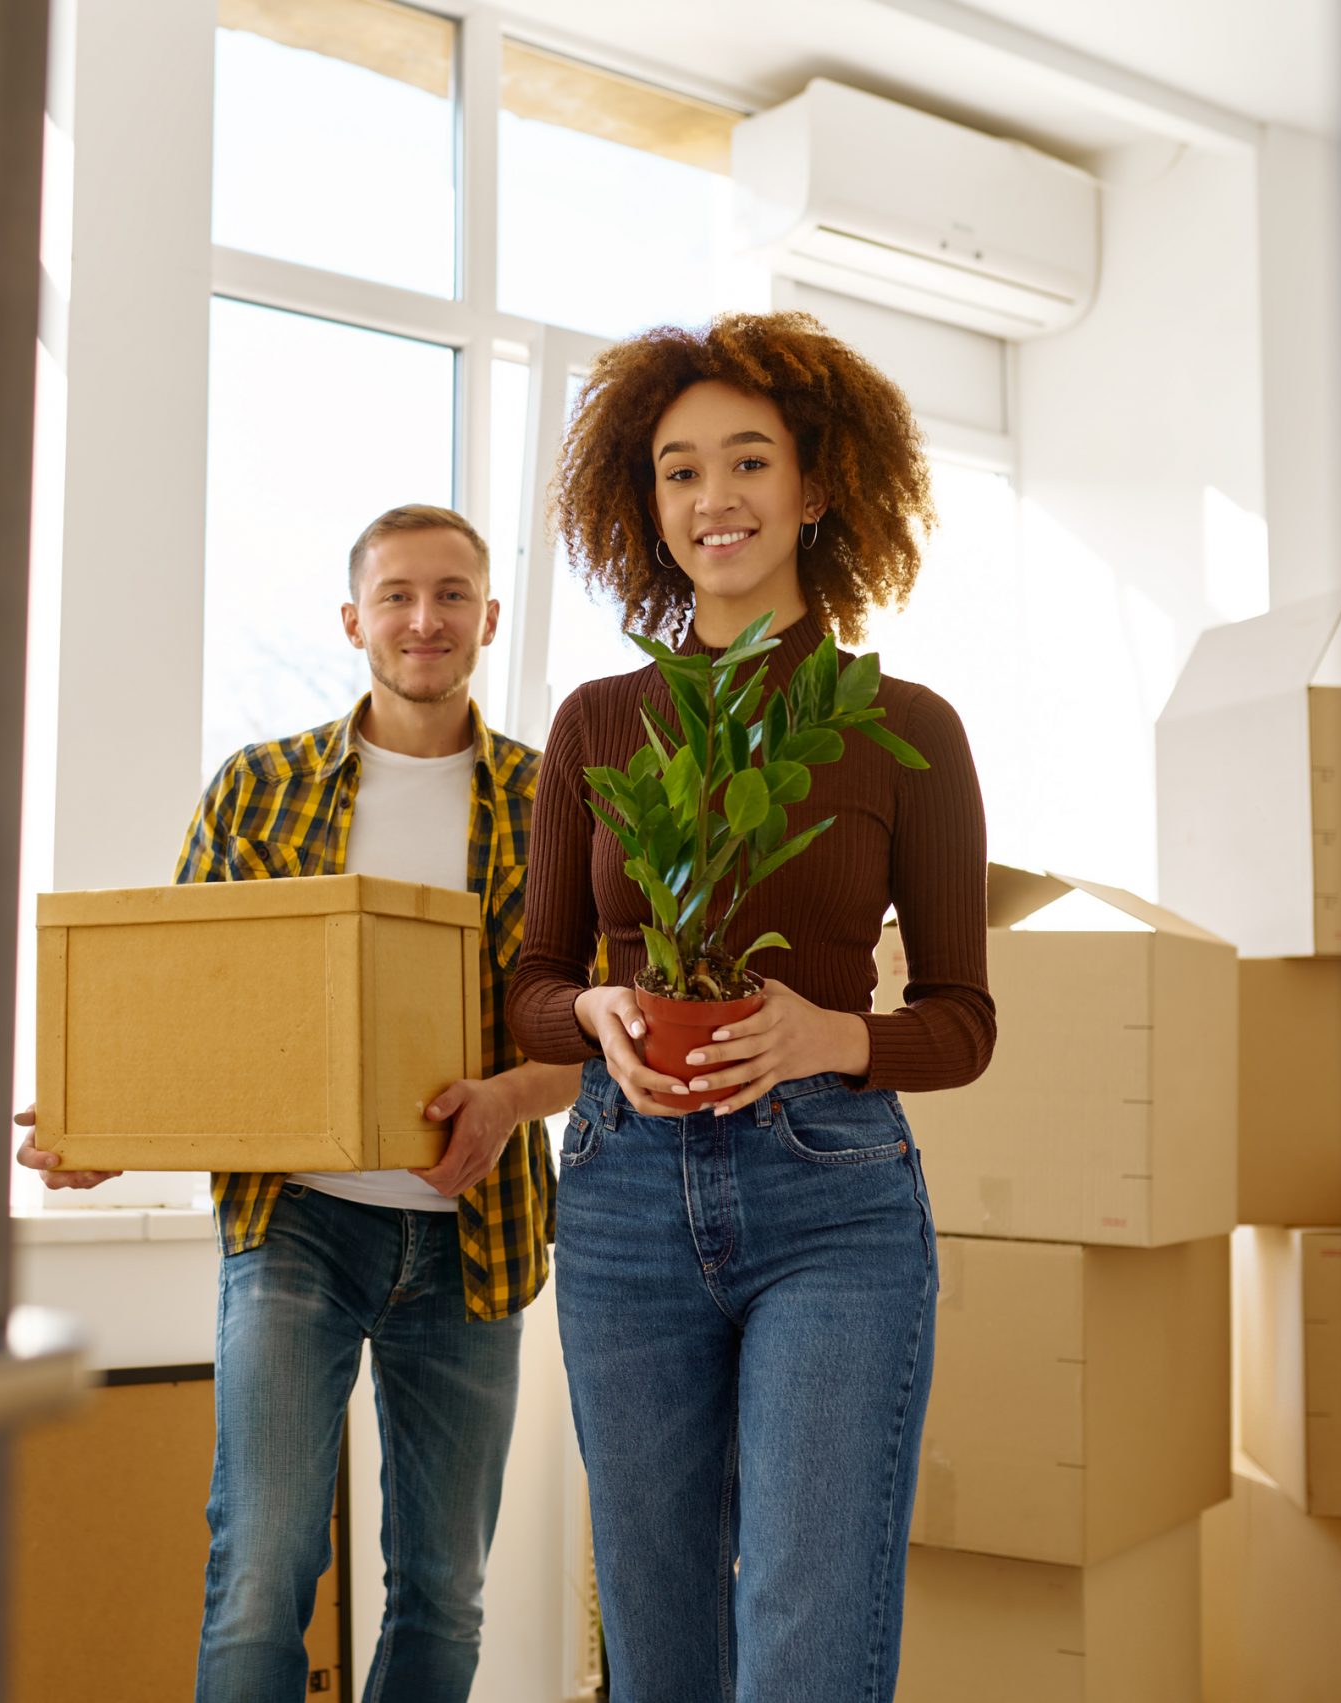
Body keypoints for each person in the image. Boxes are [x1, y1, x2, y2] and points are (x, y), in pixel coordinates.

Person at [503, 313, 996, 1701]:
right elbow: (532, 984)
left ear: (818, 484)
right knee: (658, 1644)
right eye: (676, 471)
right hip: (622, 1197)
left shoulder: (909, 726)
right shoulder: (599, 723)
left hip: (830, 1199)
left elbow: (963, 1016)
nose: (712, 498)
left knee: (808, 1640)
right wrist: (599, 1010)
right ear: (643, 504)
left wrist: (836, 1035)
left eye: (747, 461)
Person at [17, 503, 578, 1703]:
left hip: (473, 1237)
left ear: (487, 614)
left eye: (449, 594)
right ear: (352, 617)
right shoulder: (260, 786)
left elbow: (596, 1032)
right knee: (261, 1565)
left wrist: (509, 1097)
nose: (423, 619)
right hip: (297, 1224)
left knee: (442, 1585)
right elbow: (192, 1001)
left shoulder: (556, 802)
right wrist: (101, 1127)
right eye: (395, 594)